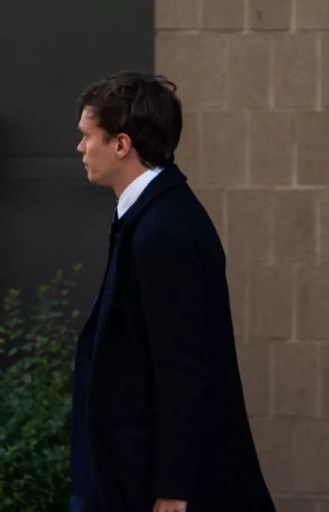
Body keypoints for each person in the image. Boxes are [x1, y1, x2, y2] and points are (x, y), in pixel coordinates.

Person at [69, 71, 275, 512]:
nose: (80, 148)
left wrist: (172, 490)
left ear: (121, 144)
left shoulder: (164, 229)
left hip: (158, 489)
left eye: (88, 136)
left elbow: (183, 370)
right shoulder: (151, 215)